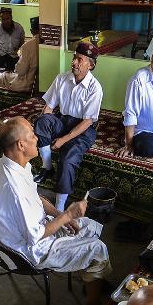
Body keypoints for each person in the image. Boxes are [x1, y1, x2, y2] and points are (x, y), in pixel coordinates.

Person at [0, 117, 111, 305]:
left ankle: (93, 278)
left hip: (34, 229)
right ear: (21, 144)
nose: (38, 138)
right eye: (32, 135)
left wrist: (61, 215)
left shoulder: (8, 163)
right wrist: (69, 214)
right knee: (98, 249)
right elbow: (35, 237)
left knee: (86, 225)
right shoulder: (13, 189)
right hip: (31, 250)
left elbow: (37, 197)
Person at [33, 42, 103, 212]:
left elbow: (87, 121)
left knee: (68, 157)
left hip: (83, 129)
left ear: (90, 65)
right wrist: (46, 117)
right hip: (63, 120)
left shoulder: (95, 88)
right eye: (74, 58)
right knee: (41, 121)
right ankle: (47, 167)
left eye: (80, 59)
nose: (74, 63)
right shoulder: (62, 78)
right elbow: (49, 106)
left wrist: (64, 140)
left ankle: (59, 207)